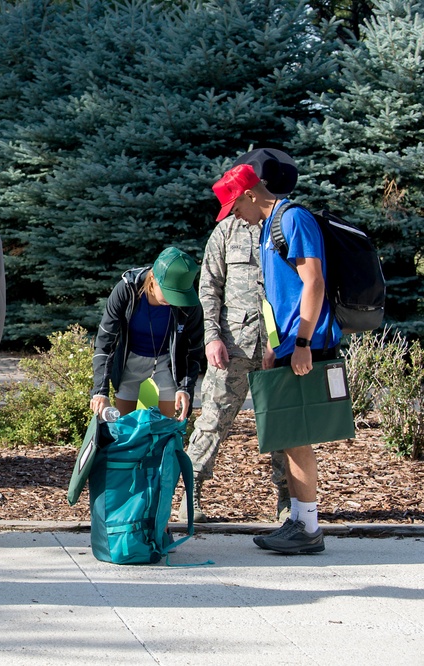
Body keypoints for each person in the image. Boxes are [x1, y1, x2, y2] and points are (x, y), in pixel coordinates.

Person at [211, 162, 342, 554]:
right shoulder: (268, 227)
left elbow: (313, 281)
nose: (235, 217)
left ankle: (307, 527)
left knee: (297, 438)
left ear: (250, 195)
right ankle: (301, 520)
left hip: (308, 343)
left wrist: (302, 342)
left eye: (235, 208)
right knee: (290, 438)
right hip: (288, 344)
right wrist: (275, 343)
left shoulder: (293, 219)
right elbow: (280, 293)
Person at [180, 149, 297, 523]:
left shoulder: (282, 225)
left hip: (277, 349)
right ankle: (191, 495)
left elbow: (299, 288)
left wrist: (285, 344)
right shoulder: (225, 232)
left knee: (282, 427)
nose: (232, 211)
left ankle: (287, 502)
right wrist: (211, 337)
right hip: (232, 346)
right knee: (212, 420)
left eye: (234, 203)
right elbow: (208, 289)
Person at [91, 247, 205, 423]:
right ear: (153, 278)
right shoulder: (126, 291)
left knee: (162, 431)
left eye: (179, 295)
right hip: (131, 362)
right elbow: (105, 343)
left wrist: (185, 388)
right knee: (126, 429)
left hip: (166, 364)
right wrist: (100, 391)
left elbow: (194, 350)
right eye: (169, 293)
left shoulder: (189, 304)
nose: (174, 301)